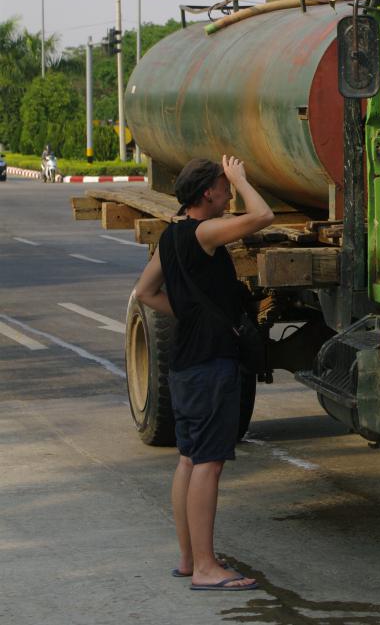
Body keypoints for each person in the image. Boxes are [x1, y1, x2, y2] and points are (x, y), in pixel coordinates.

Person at [133, 155, 274, 592]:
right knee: (209, 465)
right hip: (212, 363)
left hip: (184, 363)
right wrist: (242, 177)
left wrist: (190, 313)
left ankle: (189, 558)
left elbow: (143, 291)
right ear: (207, 193)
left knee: (189, 459)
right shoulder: (204, 232)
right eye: (223, 185)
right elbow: (263, 216)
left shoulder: (171, 237)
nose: (228, 192)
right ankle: (208, 568)